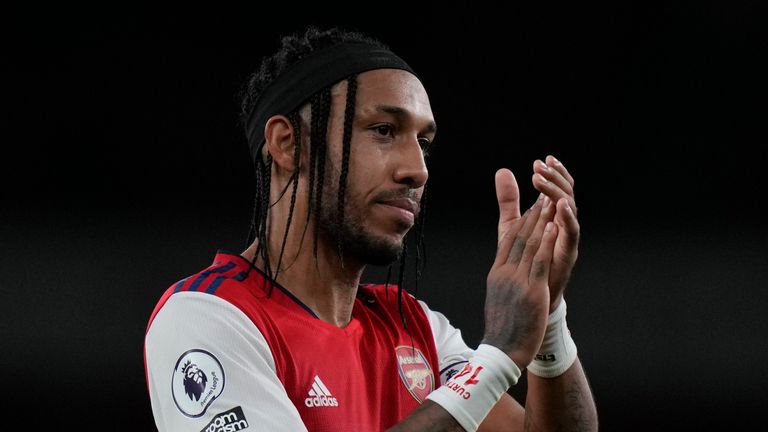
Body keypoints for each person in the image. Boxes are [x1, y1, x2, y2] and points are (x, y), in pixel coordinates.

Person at [144, 25, 598, 432]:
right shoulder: (206, 318)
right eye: (383, 130)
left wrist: (548, 318)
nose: (417, 170)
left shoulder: (415, 328)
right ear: (288, 144)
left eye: (424, 143)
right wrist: (497, 356)